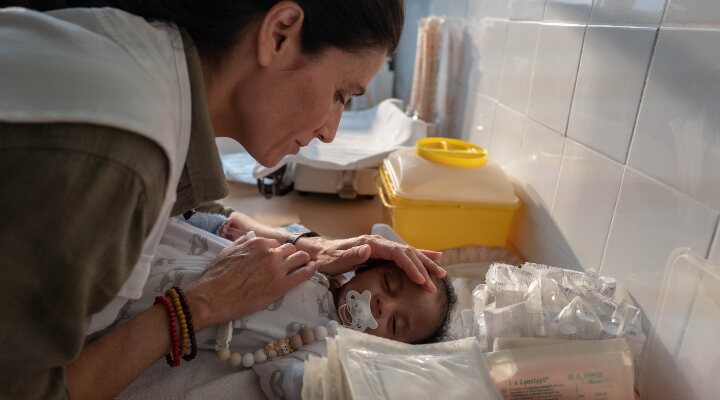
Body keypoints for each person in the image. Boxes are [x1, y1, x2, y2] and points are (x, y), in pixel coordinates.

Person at [0, 2, 446, 399]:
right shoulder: (120, 157)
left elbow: (176, 206)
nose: (330, 131)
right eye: (340, 95)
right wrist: (199, 306)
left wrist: (304, 243)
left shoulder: (140, 61)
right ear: (280, 34)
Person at [113, 216, 456, 399]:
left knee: (113, 299)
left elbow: (287, 381)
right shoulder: (321, 270)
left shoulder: (326, 347)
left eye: (395, 325)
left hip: (161, 311)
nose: (384, 305)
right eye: (388, 285)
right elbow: (266, 245)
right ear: (363, 269)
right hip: (187, 255)